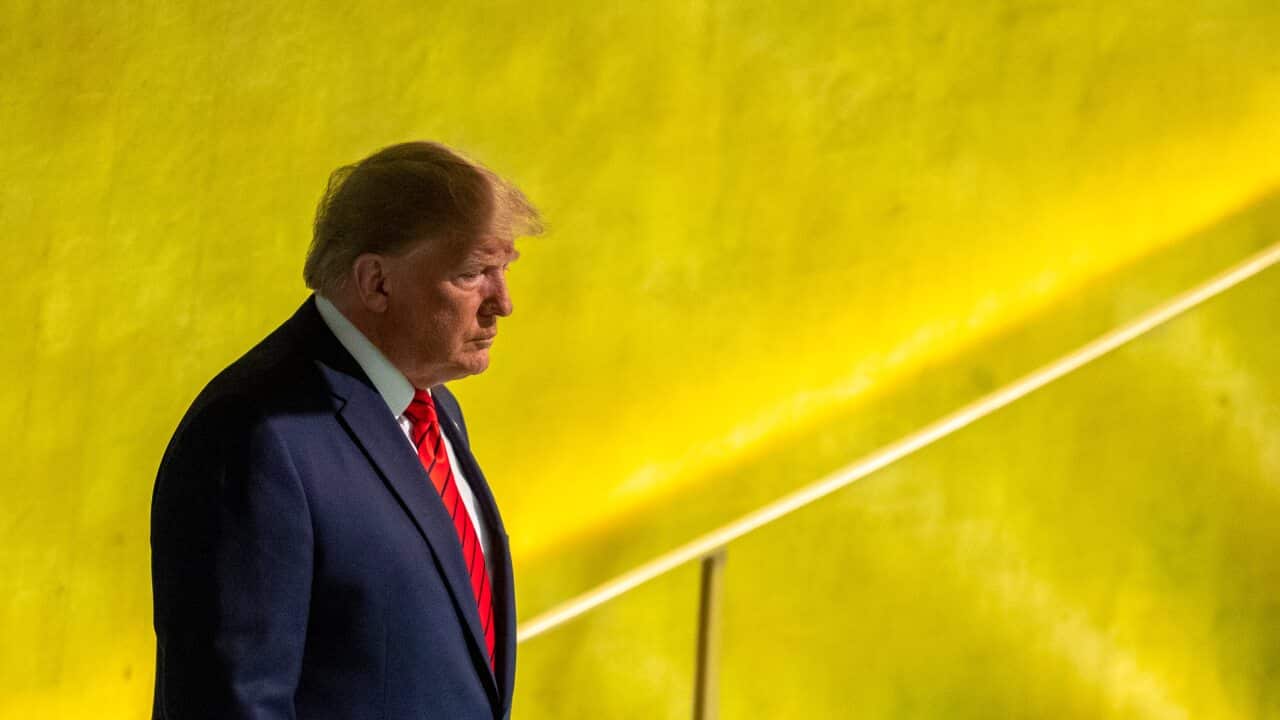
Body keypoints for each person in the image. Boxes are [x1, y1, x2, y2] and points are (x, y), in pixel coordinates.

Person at [150, 141, 542, 719]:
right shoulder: (256, 435)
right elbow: (233, 704)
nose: (502, 303)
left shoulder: (435, 408)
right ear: (376, 283)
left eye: (504, 269)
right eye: (472, 274)